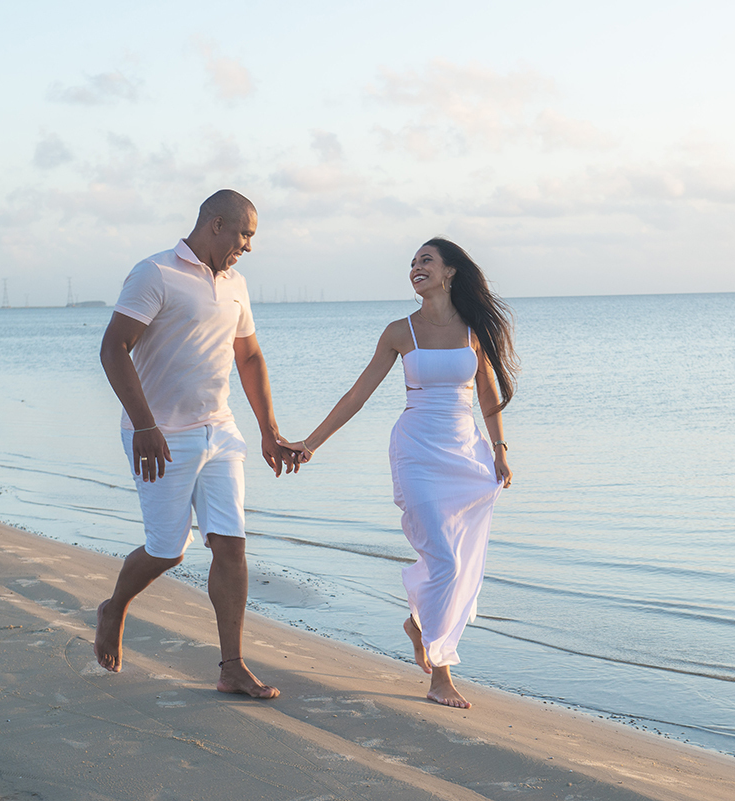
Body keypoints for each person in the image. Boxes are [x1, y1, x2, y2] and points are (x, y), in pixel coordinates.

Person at [283, 238, 517, 709]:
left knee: (453, 558)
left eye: (426, 260)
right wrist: (310, 443)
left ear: (450, 271)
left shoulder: (474, 331)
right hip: (416, 451)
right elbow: (357, 395)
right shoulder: (399, 331)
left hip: (464, 456)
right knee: (444, 560)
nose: (416, 267)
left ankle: (418, 625)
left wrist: (500, 450)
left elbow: (488, 398)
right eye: (412, 263)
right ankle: (440, 673)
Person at [94, 189, 297, 699]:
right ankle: (114, 605)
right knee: (168, 551)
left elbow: (248, 358)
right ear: (216, 224)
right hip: (160, 436)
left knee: (231, 545)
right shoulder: (155, 274)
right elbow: (113, 348)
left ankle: (232, 665)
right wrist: (144, 425)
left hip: (221, 431)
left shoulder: (236, 285)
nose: (248, 246)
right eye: (245, 234)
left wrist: (269, 433)